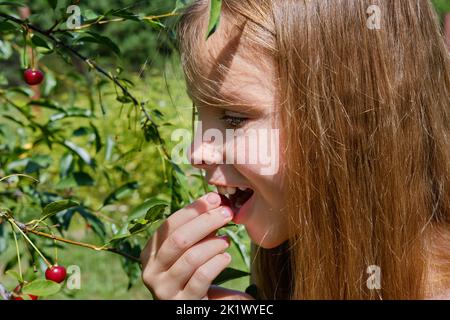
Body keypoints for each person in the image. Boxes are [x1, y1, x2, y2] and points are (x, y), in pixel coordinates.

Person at [140, 0, 450, 299]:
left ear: (352, 120)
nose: (195, 153)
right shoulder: (293, 264)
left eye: (234, 118)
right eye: (199, 113)